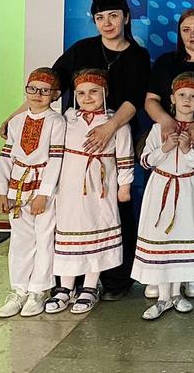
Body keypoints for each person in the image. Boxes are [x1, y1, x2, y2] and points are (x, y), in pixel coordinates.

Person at [20, 0, 149, 301]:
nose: (107, 23)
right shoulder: (81, 50)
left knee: (115, 208)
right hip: (77, 142)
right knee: (74, 213)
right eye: (100, 18)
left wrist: (110, 127)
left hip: (114, 141)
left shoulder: (138, 56)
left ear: (125, 17)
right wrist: (17, 116)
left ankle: (116, 280)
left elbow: (134, 100)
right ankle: (70, 281)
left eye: (113, 16)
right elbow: (48, 87)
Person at [144, 9, 194, 301]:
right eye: (186, 29)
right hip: (168, 148)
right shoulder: (166, 62)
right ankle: (159, 272)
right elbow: (151, 100)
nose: (193, 35)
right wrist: (166, 121)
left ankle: (192, 273)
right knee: (163, 210)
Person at [47, 69, 134, 315]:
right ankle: (65, 287)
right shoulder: (67, 120)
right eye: (81, 93)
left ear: (105, 92)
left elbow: (125, 156)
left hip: (100, 189)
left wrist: (125, 185)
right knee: (69, 234)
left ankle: (90, 286)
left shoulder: (116, 122)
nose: (87, 97)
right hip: (69, 189)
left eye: (94, 91)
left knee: (97, 232)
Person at [133, 73, 194, 320]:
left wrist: (188, 150)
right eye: (182, 95)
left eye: (193, 96)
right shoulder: (158, 129)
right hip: (160, 189)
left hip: (187, 190)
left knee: (182, 236)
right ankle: (163, 297)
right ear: (172, 98)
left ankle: (176, 293)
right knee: (161, 239)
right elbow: (145, 161)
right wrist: (166, 148)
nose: (187, 100)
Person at [0, 68, 66, 318]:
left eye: (45, 90)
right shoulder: (16, 122)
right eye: (32, 89)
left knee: (44, 238)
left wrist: (44, 194)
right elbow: (6, 158)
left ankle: (39, 290)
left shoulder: (56, 122)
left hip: (43, 188)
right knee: (20, 240)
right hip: (17, 188)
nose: (37, 94)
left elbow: (55, 159)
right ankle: (19, 289)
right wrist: (2, 192)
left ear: (55, 95)